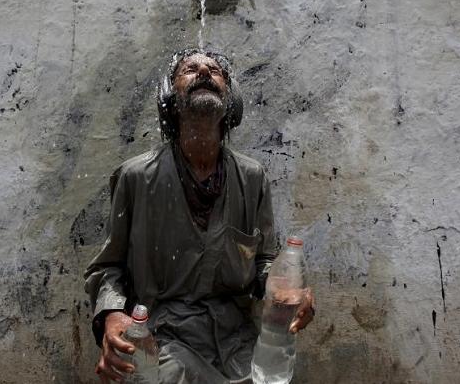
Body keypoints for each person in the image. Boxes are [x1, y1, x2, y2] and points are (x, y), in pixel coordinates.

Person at [84, 48, 315, 383]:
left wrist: (286, 290)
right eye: (190, 69)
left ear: (230, 98)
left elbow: (264, 260)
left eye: (216, 70)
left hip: (236, 342)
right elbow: (108, 267)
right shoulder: (136, 177)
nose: (204, 72)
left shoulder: (252, 178)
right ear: (170, 97)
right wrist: (112, 314)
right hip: (163, 338)